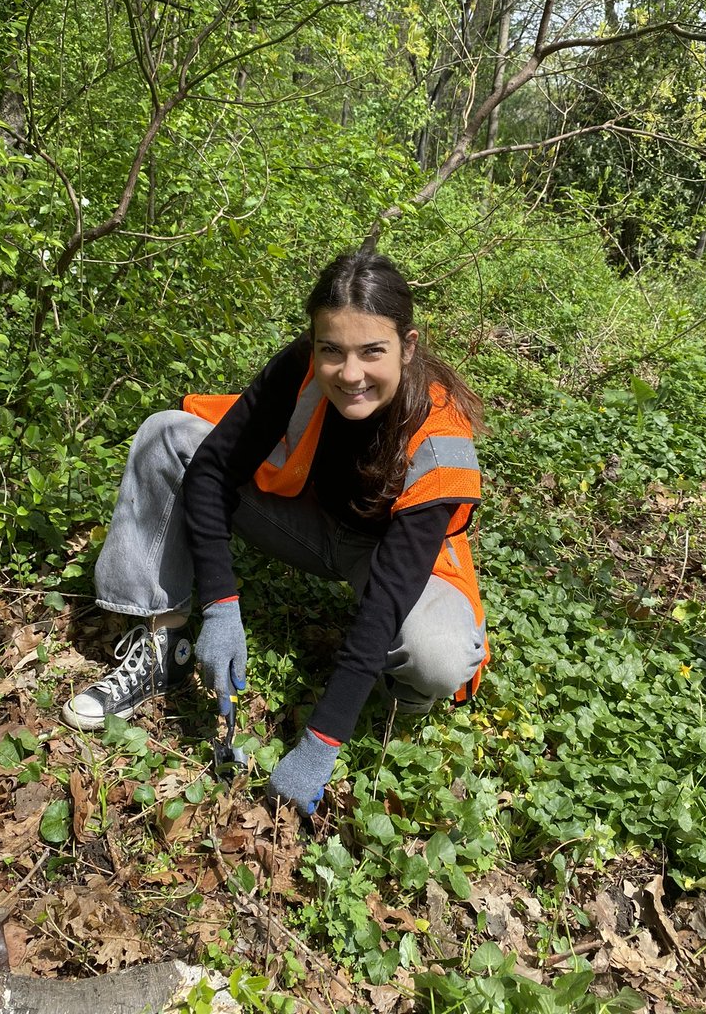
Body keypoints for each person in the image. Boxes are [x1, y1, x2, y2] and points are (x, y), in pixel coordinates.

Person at [62, 249, 490, 814]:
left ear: (408, 348)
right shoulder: (301, 369)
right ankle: (165, 640)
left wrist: (321, 742)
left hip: (388, 559)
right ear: (314, 342)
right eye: (331, 349)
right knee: (169, 436)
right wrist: (220, 602)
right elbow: (213, 469)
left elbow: (389, 597)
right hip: (307, 523)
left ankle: (396, 697)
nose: (350, 373)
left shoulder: (440, 440)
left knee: (438, 655)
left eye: (372, 352)